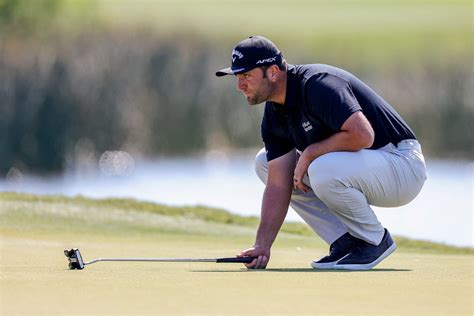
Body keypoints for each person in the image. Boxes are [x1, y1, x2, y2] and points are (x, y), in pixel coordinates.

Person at [215, 36, 427, 270]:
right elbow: (277, 184)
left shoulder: (317, 84)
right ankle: (345, 240)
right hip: (367, 168)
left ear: (273, 72)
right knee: (264, 162)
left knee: (320, 166)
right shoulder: (274, 114)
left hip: (402, 165)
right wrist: (262, 245)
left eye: (246, 76)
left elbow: (363, 135)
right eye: (238, 77)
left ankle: (374, 240)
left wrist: (309, 153)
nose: (240, 85)